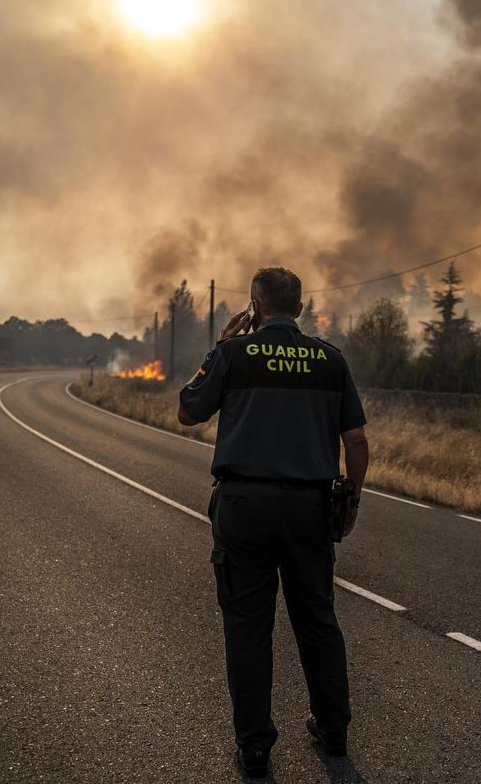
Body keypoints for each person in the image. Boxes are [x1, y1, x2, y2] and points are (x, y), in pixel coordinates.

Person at [177, 267, 370, 780]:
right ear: (301, 310)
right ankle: (333, 730)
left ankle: (256, 746)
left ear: (254, 308)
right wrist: (350, 498)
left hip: (245, 507)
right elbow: (355, 441)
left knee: (247, 627)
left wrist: (218, 348)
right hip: (310, 510)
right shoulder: (331, 360)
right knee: (317, 619)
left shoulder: (234, 354)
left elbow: (187, 411)